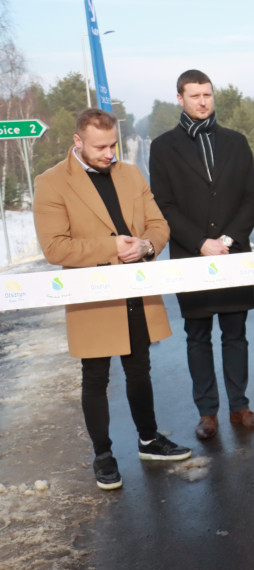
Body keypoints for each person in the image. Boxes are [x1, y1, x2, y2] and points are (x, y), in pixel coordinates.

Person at [34, 108, 192, 490]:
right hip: (93, 296)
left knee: (140, 368)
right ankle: (103, 456)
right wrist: (112, 247)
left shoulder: (130, 173)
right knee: (96, 377)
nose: (109, 153)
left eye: (114, 145)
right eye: (100, 147)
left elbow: (159, 224)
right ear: (78, 143)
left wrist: (146, 245)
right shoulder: (52, 182)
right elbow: (55, 247)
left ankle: (149, 440)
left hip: (135, 287)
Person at [149, 69, 254, 441]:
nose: (203, 101)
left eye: (208, 94)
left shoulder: (236, 141)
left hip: (233, 254)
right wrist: (200, 242)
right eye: (195, 95)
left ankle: (239, 407)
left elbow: (252, 196)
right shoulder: (163, 147)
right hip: (191, 255)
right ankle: (207, 413)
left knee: (236, 334)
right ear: (180, 99)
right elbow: (163, 203)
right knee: (197, 336)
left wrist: (228, 239)